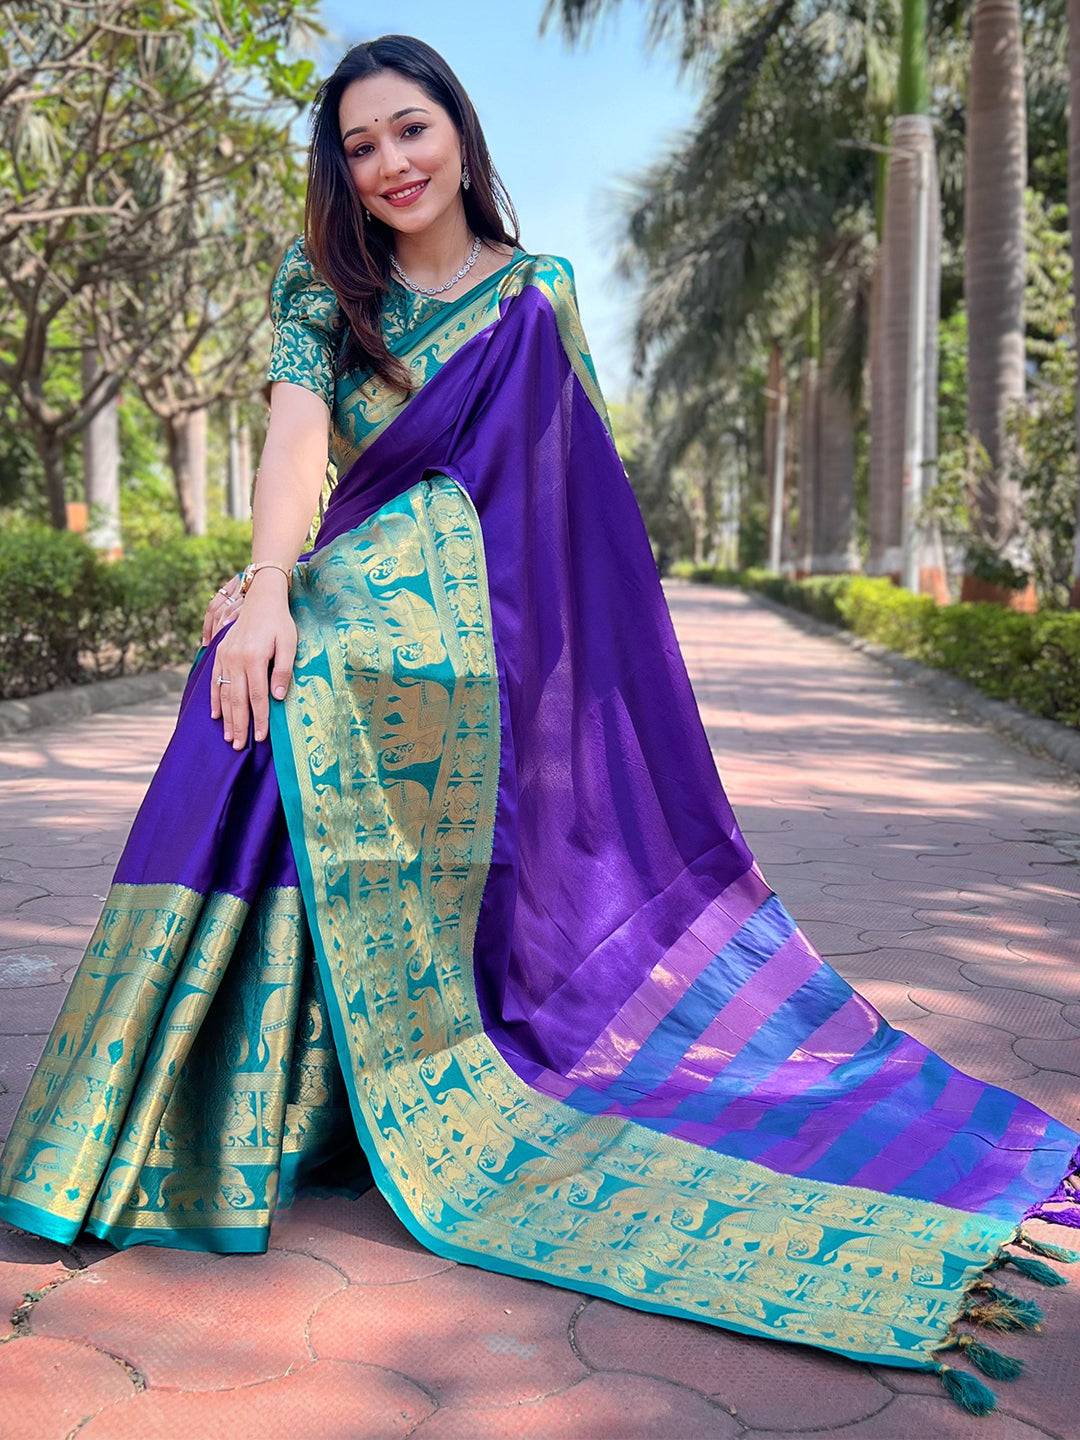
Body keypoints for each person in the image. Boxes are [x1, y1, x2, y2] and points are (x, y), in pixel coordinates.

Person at [2, 33, 1078, 1418]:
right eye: (360, 145)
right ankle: (200, 1116)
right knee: (255, 690)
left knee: (322, 688)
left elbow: (572, 514)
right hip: (364, 598)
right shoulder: (324, 289)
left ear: (459, 128)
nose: (390, 163)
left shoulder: (535, 295)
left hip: (496, 637)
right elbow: (291, 450)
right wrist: (266, 585)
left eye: (410, 129)